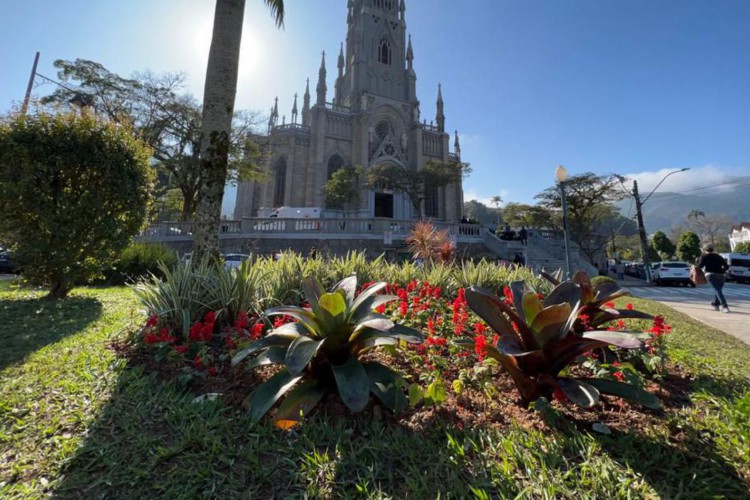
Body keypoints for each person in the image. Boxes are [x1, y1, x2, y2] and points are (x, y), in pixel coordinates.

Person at [698, 244, 730, 313]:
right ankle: (716, 305)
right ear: (713, 249)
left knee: (717, 290)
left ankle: (725, 306)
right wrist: (723, 271)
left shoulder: (704, 256)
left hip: (710, 274)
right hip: (721, 275)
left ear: (705, 249)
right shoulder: (718, 256)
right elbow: (726, 266)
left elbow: (700, 266)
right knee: (718, 290)